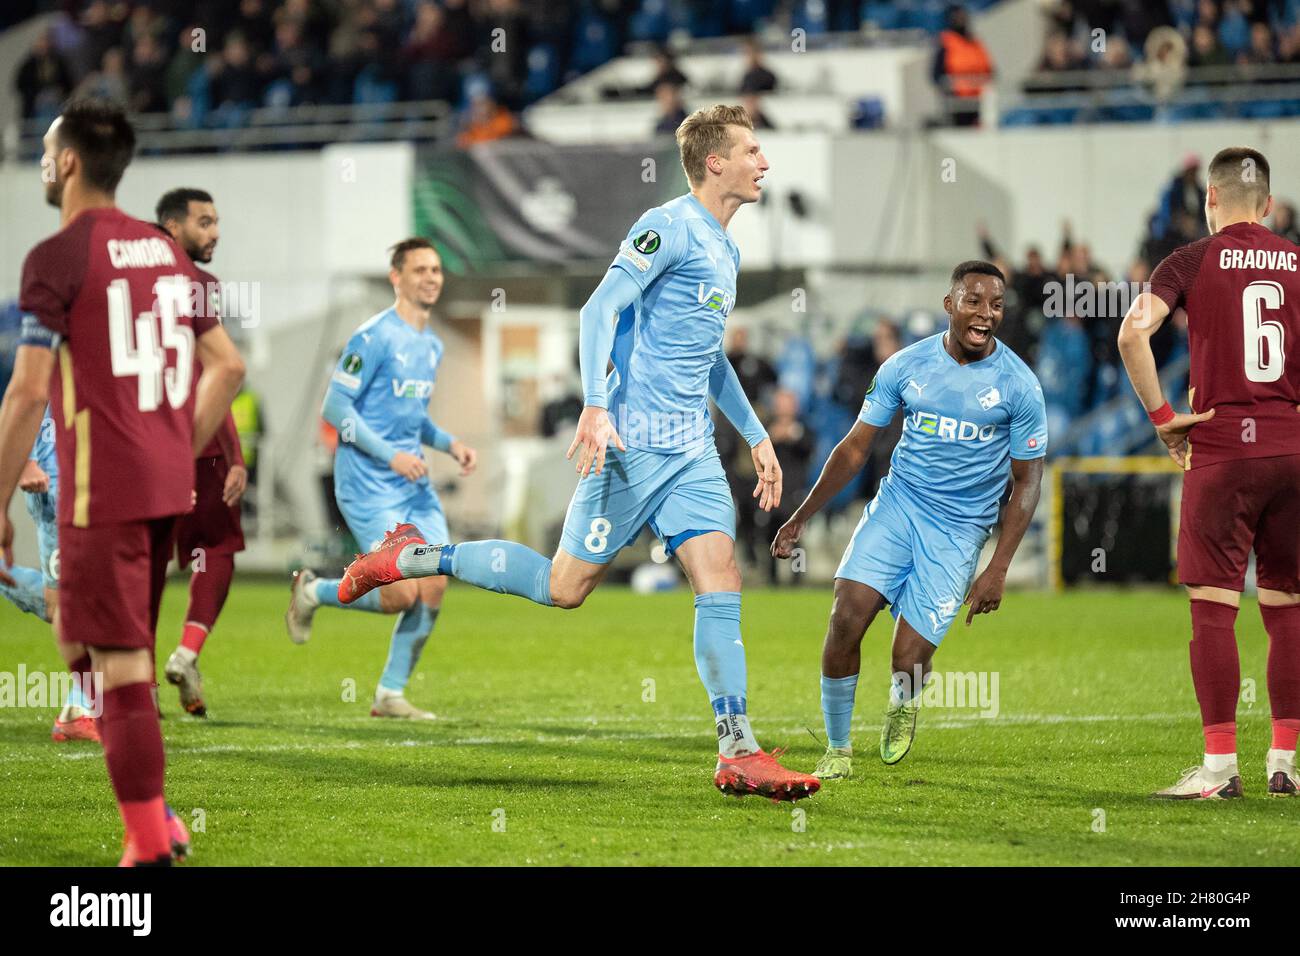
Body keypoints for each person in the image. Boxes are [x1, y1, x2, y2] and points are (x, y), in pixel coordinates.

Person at [336, 104, 820, 801]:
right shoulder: (666, 227)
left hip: (690, 451)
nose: (764, 162)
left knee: (722, 581)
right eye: (752, 150)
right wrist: (596, 405)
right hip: (631, 444)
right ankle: (412, 555)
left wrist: (755, 434)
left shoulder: (727, 247)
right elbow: (599, 311)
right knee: (564, 589)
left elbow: (708, 357)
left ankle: (736, 746)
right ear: (715, 162)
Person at [0, 99, 245, 864]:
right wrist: (178, 448)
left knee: (118, 666)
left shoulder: (56, 256)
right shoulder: (166, 253)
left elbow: (28, 391)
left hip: (99, 492)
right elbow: (228, 367)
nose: (42, 161)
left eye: (45, 150)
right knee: (84, 636)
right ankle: (158, 813)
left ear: (69, 162)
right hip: (164, 491)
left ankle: (146, 845)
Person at [772, 261, 1047, 780]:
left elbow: (1027, 483)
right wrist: (801, 516)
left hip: (960, 531)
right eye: (974, 301)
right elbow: (855, 449)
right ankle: (837, 748)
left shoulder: (1020, 387)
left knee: (908, 658)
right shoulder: (905, 365)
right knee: (846, 616)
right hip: (899, 506)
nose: (985, 314)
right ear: (949, 305)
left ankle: (904, 702)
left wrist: (998, 567)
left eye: (995, 305)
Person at [1117, 146, 1300, 799]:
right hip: (1292, 448)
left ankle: (1221, 768)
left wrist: (1165, 417)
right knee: (1287, 609)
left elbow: (1132, 336)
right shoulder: (1297, 259)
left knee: (1215, 613)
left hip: (1222, 450)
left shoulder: (1191, 259)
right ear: (1270, 204)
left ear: (1211, 200)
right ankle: (1286, 761)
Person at [284, 238, 478, 720]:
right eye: (419, 270)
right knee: (397, 595)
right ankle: (312, 591)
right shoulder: (372, 338)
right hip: (368, 484)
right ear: (397, 277)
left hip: (413, 486)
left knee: (434, 584)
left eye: (436, 269)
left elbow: (414, 420)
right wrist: (389, 455)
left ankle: (390, 694)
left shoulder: (430, 345)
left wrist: (449, 442)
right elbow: (335, 409)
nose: (431, 277)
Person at [155, 188, 248, 718]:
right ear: (172, 225)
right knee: (214, 551)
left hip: (138, 445)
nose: (214, 233)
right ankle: (187, 653)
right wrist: (232, 454)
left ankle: (128, 688)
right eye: (204, 222)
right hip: (198, 449)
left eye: (217, 222)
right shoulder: (197, 286)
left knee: (142, 562)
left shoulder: (122, 282)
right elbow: (220, 375)